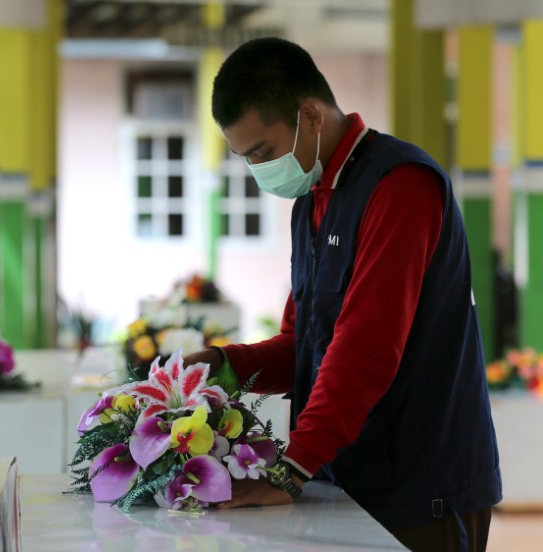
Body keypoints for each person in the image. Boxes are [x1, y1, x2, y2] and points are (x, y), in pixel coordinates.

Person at [184, 36, 502, 552]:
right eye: (246, 159)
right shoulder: (313, 202)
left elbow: (365, 348)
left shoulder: (400, 186)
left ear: (309, 115)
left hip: (420, 489)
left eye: (262, 152)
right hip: (349, 480)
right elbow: (305, 347)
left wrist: (289, 471)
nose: (259, 170)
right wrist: (223, 367)